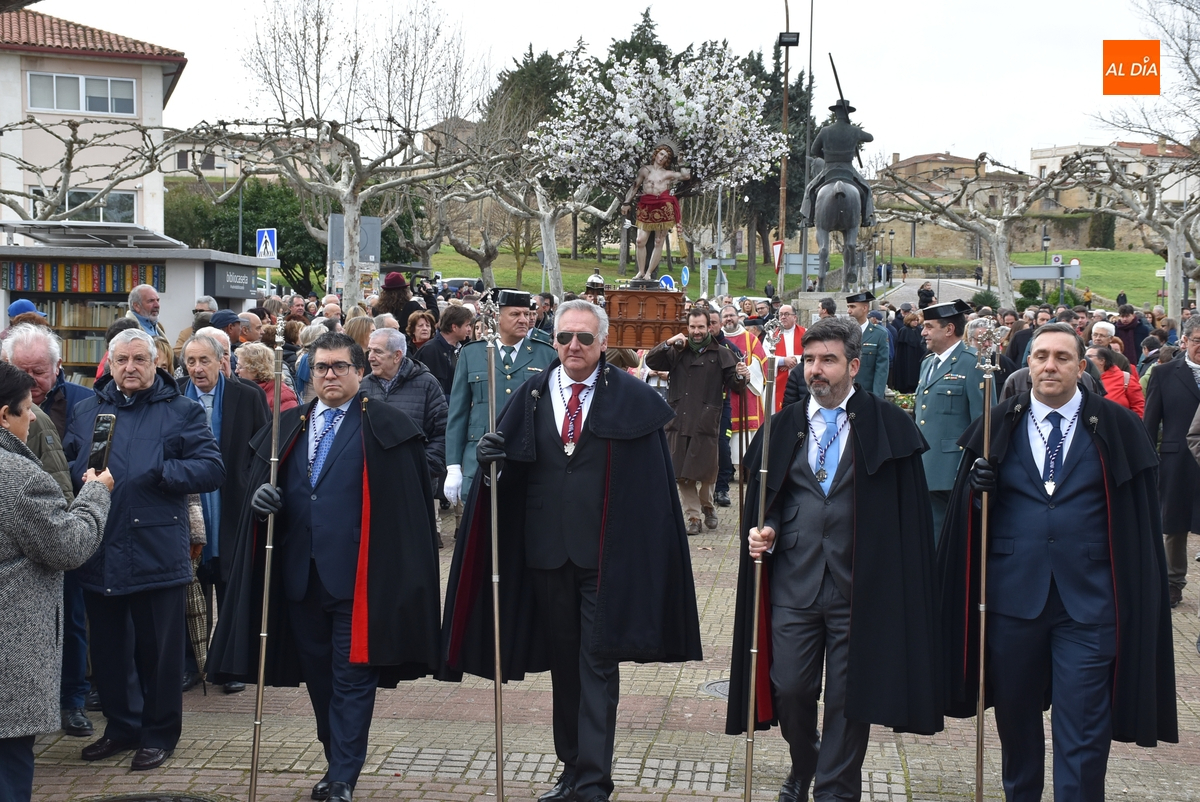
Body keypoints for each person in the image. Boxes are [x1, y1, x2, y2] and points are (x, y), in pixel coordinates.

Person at [443, 300, 703, 802]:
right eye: (564, 338)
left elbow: (651, 491)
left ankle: (593, 780)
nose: (573, 347)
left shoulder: (630, 398)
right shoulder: (531, 393)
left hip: (605, 554)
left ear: (604, 342)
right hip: (545, 552)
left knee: (596, 665)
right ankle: (571, 765)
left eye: (584, 338)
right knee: (565, 666)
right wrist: (491, 460)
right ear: (554, 339)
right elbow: (510, 468)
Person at [941, 323, 1177, 802]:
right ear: (1027, 364)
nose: (1050, 366)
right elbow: (966, 520)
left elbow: (1137, 521)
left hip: (1089, 605)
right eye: (1040, 356)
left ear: (1080, 366)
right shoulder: (996, 423)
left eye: (1062, 358)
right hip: (1011, 601)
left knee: (1085, 729)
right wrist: (977, 495)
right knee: (1016, 726)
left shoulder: (1115, 425)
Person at [213, 332, 442, 802]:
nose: (330, 375)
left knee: (352, 678)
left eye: (340, 367)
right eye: (321, 368)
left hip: (360, 581)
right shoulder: (288, 426)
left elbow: (407, 512)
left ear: (360, 371)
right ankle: (336, 754)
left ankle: (342, 777)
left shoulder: (386, 426)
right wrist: (260, 502)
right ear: (310, 373)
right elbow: (256, 487)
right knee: (319, 679)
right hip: (299, 578)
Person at [726, 317, 942, 802]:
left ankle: (836, 791)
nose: (815, 371)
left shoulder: (890, 426)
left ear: (855, 366)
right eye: (809, 361)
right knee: (791, 689)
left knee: (849, 700)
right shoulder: (782, 425)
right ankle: (807, 762)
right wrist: (766, 530)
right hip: (794, 584)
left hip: (859, 589)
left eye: (828, 360)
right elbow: (768, 500)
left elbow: (905, 517)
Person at [62, 329, 224, 771]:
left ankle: (159, 733)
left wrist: (159, 471)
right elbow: (68, 462)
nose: (130, 367)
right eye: (121, 360)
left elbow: (211, 468)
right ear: (109, 364)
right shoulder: (86, 410)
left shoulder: (182, 410)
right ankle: (121, 727)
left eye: (139, 359)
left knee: (158, 655)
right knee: (110, 654)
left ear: (156, 364)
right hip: (100, 547)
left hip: (156, 548)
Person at [0, 362, 112, 802]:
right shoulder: (18, 478)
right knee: (10, 764)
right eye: (26, 409)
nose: (33, 418)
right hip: (10, 650)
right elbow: (68, 547)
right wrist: (97, 494)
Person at [1, 323, 95, 734]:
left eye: (39, 371)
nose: (32, 380)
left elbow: (58, 483)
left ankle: (71, 699)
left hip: (54, 532)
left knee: (69, 624)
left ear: (58, 368)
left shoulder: (84, 401)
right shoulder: (16, 411)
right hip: (39, 537)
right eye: (21, 370)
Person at [176, 333, 269, 695]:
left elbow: (262, 448)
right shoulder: (175, 396)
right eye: (191, 362)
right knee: (191, 589)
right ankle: (191, 664)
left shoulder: (247, 396)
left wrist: (252, 490)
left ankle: (231, 664)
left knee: (232, 586)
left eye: (204, 361)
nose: (197, 368)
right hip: (189, 506)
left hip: (232, 505)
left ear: (222, 362)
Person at [443, 290, 556, 505]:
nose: (523, 319)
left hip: (526, 458)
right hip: (477, 457)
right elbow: (458, 413)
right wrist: (454, 466)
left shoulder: (546, 355)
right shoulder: (472, 353)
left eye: (526, 313)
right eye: (515, 314)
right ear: (497, 318)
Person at [645, 308, 751, 534]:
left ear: (709, 327)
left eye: (701, 327)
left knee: (706, 474)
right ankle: (693, 518)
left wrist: (742, 375)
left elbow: (736, 385)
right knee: (681, 473)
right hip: (679, 418)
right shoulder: (677, 351)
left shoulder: (722, 353)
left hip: (706, 420)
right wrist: (669, 342)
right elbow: (651, 359)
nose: (696, 331)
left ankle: (708, 506)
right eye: (692, 327)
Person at [915, 300, 993, 541]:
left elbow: (983, 421)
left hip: (953, 470)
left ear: (948, 329)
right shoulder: (928, 363)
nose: (923, 332)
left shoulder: (973, 363)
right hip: (926, 466)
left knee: (950, 541)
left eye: (929, 326)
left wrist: (973, 467)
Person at [361, 327, 448, 544]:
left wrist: (422, 467)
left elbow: (443, 432)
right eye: (370, 351)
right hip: (373, 487)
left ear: (397, 355)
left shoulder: (426, 384)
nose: (370, 357)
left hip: (414, 487)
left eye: (378, 352)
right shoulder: (364, 386)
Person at [1143, 314, 1200, 607]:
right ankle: (1173, 583)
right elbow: (1149, 424)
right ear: (1185, 341)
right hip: (1176, 461)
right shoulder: (1164, 374)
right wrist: (1148, 463)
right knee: (1174, 526)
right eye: (1198, 341)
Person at [620, 140, 691, 280]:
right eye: (661, 154)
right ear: (656, 154)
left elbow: (686, 176)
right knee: (640, 240)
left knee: (659, 241)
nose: (662, 158)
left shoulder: (668, 173)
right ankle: (641, 271)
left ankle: (648, 273)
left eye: (665, 157)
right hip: (646, 205)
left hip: (663, 207)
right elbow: (635, 186)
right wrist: (626, 202)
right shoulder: (645, 170)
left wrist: (681, 162)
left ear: (667, 160)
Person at [800, 99, 875, 227]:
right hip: (848, 169)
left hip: (829, 168)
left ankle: (807, 218)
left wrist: (827, 157)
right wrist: (854, 130)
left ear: (835, 113)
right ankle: (867, 218)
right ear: (848, 113)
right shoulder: (854, 130)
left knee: (809, 190)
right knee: (867, 190)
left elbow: (814, 150)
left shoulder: (825, 131)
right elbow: (870, 137)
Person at [720, 305, 767, 475]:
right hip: (723, 393)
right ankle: (726, 469)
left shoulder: (750, 339)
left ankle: (746, 469)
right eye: (725, 316)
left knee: (746, 437)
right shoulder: (717, 339)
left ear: (737, 317)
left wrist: (745, 373)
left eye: (731, 315)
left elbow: (761, 363)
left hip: (745, 394)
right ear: (721, 319)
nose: (729, 319)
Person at [415, 305, 472, 397]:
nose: (469, 329)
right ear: (454, 327)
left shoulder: (461, 348)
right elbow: (429, 391)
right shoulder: (430, 351)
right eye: (467, 325)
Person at [844, 291, 890, 396]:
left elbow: (881, 370)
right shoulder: (843, 333)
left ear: (864, 308)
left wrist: (876, 398)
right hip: (843, 394)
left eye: (852, 307)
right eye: (848, 307)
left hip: (866, 394)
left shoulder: (879, 334)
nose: (848, 311)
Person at [234, 341, 298, 413]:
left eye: (240, 367)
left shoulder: (282, 394)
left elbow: (289, 422)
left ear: (255, 368)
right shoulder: (244, 390)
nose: (236, 371)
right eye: (237, 366)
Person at [1088, 345, 1144, 417]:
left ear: (1102, 361)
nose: (1085, 359)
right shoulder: (1084, 378)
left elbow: (1139, 407)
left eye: (1089, 356)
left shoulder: (1125, 378)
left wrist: (1132, 426)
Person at [375, 272, 440, 334]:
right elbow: (433, 317)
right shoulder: (411, 306)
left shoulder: (377, 309)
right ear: (405, 291)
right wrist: (429, 296)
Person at [773, 305, 805, 411]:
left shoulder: (805, 333)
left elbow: (811, 355)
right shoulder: (771, 335)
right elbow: (765, 357)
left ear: (795, 317)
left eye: (786, 314)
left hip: (801, 380)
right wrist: (782, 361)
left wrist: (794, 360)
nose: (783, 317)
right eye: (780, 314)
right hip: (778, 380)